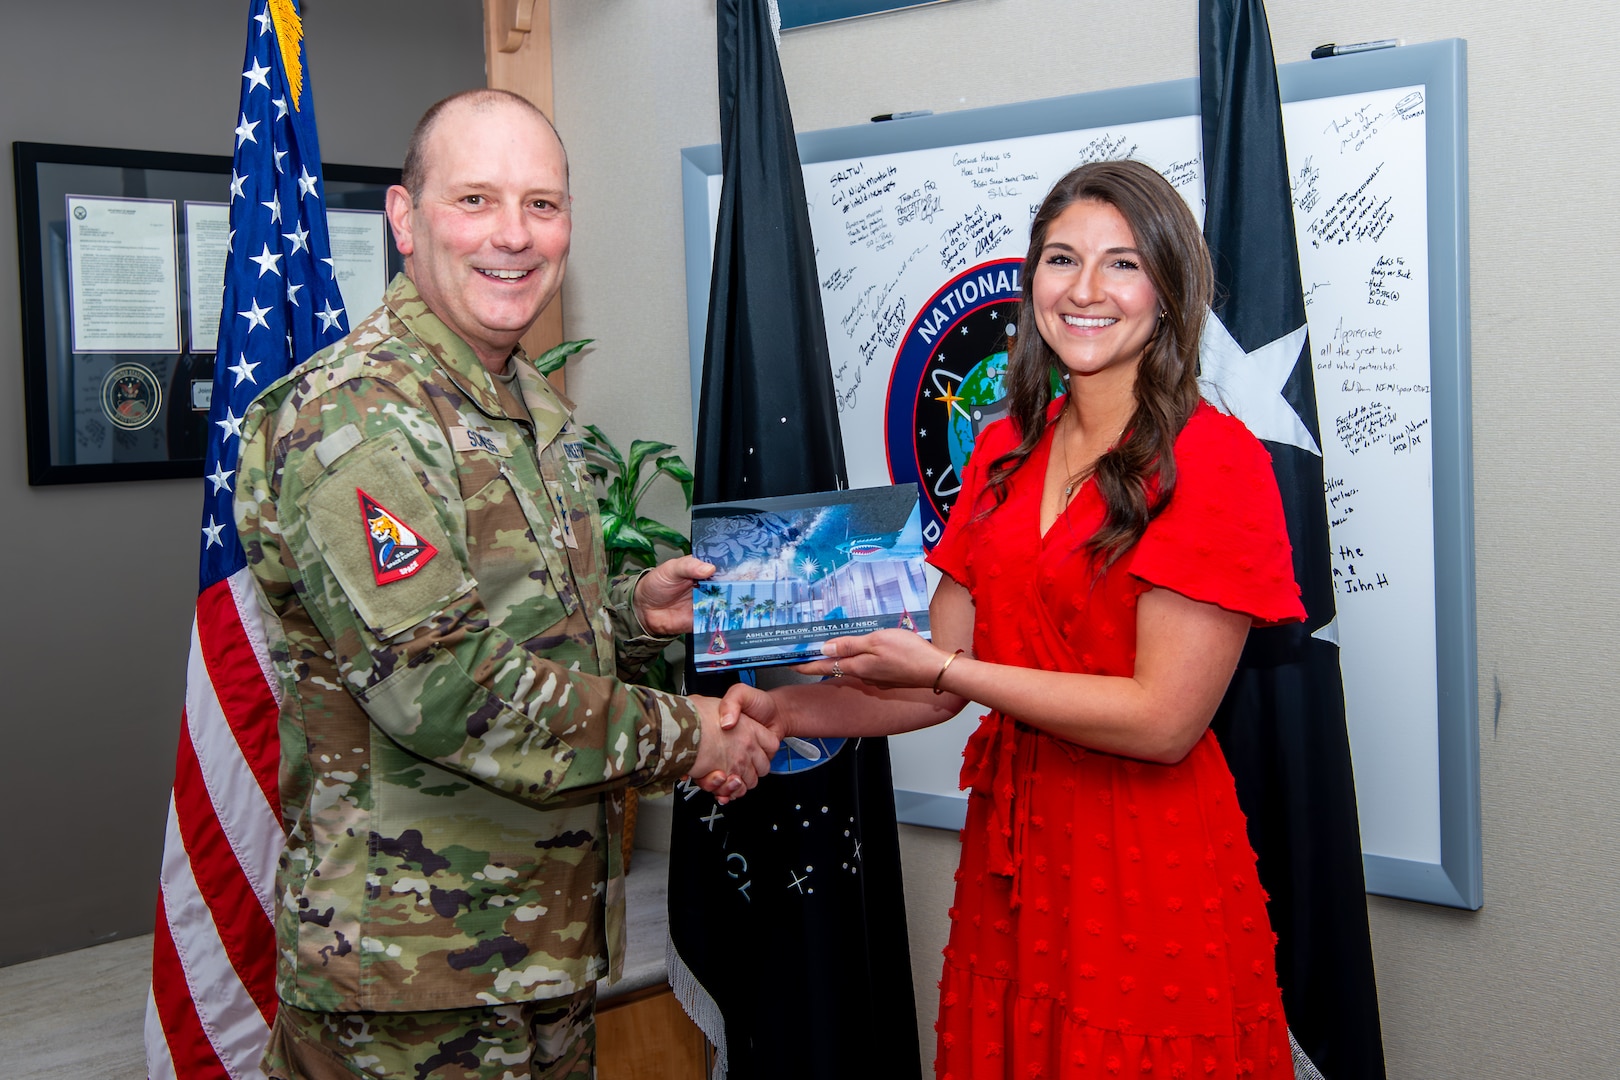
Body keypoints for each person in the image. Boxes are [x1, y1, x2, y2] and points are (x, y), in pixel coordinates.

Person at [234, 88, 778, 1080]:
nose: (514, 237)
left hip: (535, 955)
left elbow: (509, 625)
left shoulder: (519, 405)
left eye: (542, 204)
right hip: (411, 993)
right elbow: (444, 686)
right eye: (475, 200)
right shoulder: (360, 416)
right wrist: (691, 735)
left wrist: (632, 616)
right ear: (405, 219)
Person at [723, 160, 1307, 1079]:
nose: (1083, 290)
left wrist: (948, 672)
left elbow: (1162, 721)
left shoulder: (1215, 461)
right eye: (1062, 258)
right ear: (1030, 276)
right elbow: (932, 679)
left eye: (1121, 264)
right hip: (1016, 865)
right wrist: (783, 715)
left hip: (1147, 865)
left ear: (1170, 289)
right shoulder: (1001, 448)